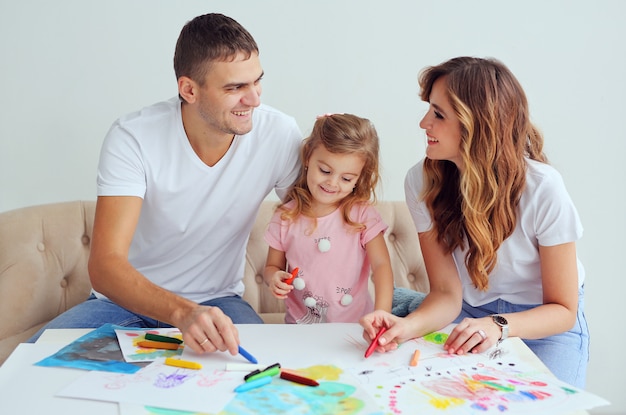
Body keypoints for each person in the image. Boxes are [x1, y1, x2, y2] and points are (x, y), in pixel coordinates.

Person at [28, 13, 302, 357]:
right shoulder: (134, 137)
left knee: (263, 371)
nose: (255, 100)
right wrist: (181, 313)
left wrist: (338, 145)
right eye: (235, 88)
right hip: (123, 302)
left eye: (256, 82)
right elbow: (105, 265)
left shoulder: (278, 133)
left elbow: (318, 219)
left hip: (218, 301)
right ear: (189, 89)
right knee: (30, 364)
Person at [360, 56, 589, 388]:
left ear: (476, 124)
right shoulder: (421, 182)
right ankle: (405, 304)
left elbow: (563, 310)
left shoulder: (543, 188)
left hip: (543, 323)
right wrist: (404, 327)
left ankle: (405, 299)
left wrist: (497, 325)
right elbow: (446, 294)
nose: (424, 123)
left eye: (438, 114)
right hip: (467, 313)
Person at [263, 113, 394, 323]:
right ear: (308, 158)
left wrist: (383, 313)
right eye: (325, 170)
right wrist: (274, 279)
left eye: (346, 178)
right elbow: (272, 267)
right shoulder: (285, 216)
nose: (332, 183)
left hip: (355, 327)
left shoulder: (362, 215)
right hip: (299, 328)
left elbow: (381, 266)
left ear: (360, 177)